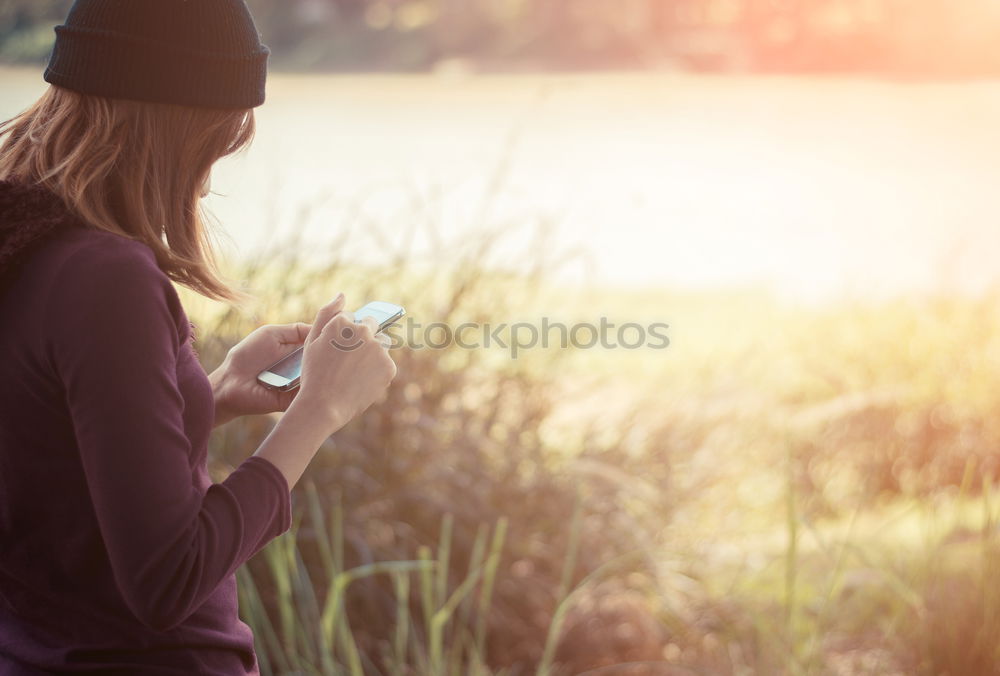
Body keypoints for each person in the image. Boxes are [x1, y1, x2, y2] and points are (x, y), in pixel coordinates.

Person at [0, 0, 397, 673]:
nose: (208, 180)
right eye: (214, 142)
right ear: (165, 126)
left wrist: (216, 395)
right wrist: (317, 412)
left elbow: (50, 462)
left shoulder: (23, 244)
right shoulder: (105, 278)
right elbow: (167, 578)